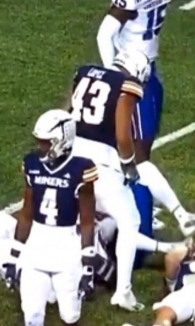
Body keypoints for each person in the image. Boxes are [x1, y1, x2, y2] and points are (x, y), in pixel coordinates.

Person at [96, 0, 195, 244]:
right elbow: (104, 34)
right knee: (137, 155)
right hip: (131, 73)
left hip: (147, 71)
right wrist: (113, 77)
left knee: (142, 148)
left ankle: (142, 205)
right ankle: (181, 215)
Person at [4, 109, 96, 326]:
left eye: (45, 141)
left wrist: (88, 264)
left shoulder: (82, 168)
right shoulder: (32, 163)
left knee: (70, 318)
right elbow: (26, 212)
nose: (40, 146)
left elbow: (88, 221)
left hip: (67, 246)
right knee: (31, 316)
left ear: (61, 140)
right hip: (37, 246)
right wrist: (13, 256)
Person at [70, 50, 148, 311]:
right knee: (130, 221)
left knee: (80, 219)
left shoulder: (85, 72)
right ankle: (123, 291)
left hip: (72, 160)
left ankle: (81, 276)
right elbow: (122, 135)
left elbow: (67, 115)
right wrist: (129, 166)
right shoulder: (127, 85)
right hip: (101, 165)